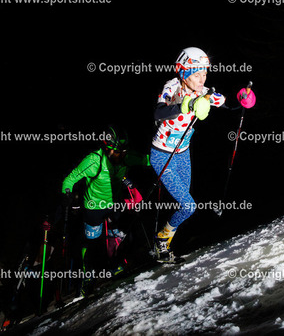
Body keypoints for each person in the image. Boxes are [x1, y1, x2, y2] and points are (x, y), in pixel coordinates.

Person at [151, 47, 226, 262]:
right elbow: (158, 111)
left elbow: (223, 102)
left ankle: (166, 241)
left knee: (186, 205)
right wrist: (186, 105)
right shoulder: (173, 87)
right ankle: (161, 241)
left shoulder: (203, 91)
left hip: (183, 154)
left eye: (205, 74)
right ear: (184, 74)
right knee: (189, 206)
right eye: (197, 75)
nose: (202, 79)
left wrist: (242, 99)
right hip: (162, 155)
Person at [61, 125, 147, 295]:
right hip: (93, 207)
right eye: (117, 152)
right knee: (92, 243)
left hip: (114, 204)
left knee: (120, 236)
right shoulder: (94, 161)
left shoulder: (126, 157)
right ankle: (88, 276)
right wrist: (67, 194)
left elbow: (149, 160)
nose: (121, 156)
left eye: (123, 152)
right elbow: (70, 179)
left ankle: (114, 265)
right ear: (107, 148)